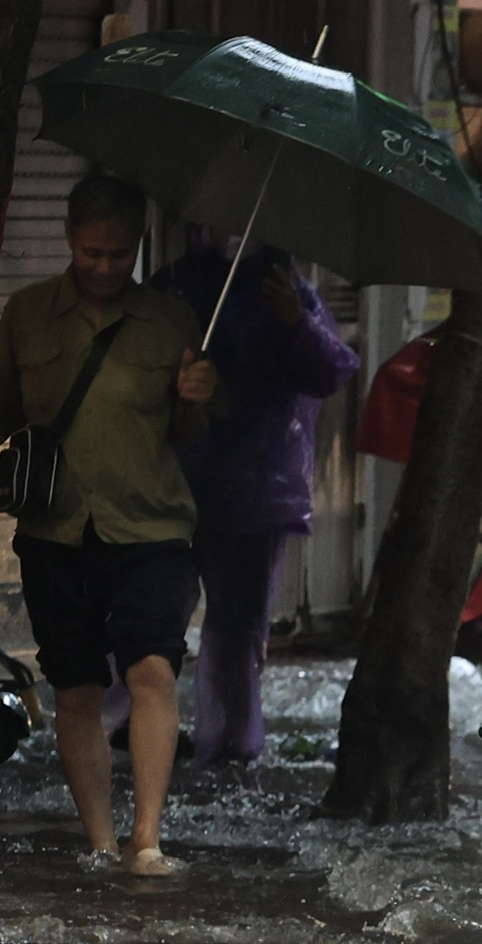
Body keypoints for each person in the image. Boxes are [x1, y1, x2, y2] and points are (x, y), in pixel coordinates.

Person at [0, 172, 218, 877]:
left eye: (118, 254)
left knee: (152, 667)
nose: (103, 267)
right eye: (92, 252)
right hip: (55, 530)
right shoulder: (31, 313)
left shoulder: (171, 322)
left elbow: (187, 435)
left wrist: (196, 395)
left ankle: (148, 839)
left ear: (136, 248)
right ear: (69, 238)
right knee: (75, 685)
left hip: (151, 527)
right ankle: (99, 840)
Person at [150, 230, 360, 764]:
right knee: (151, 616)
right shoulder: (173, 286)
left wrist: (295, 321)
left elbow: (330, 370)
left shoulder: (284, 287)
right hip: (169, 481)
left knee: (236, 625)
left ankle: (230, 743)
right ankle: (132, 726)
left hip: (254, 488)